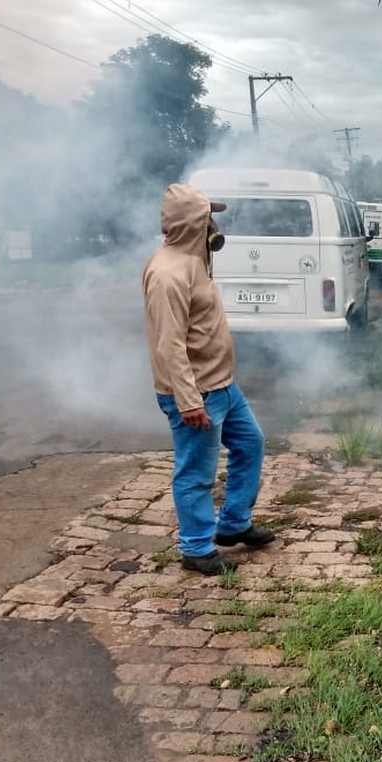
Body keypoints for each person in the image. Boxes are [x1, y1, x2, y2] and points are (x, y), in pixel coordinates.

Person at [142, 184, 274, 575]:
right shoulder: (167, 274)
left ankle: (233, 525)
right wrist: (188, 400)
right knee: (196, 472)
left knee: (251, 443)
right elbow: (168, 345)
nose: (213, 223)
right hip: (197, 392)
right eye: (206, 216)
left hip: (222, 386)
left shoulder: (193, 259)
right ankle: (196, 548)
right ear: (191, 223)